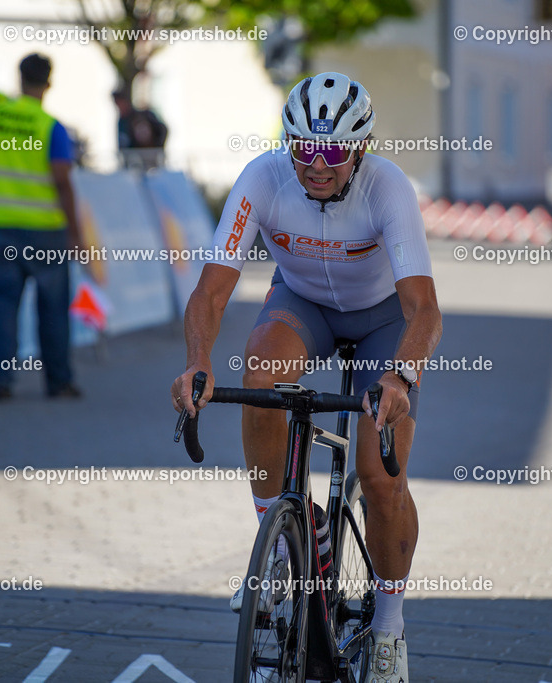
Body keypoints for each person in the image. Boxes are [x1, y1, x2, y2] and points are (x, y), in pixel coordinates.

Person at [170, 72, 442, 682]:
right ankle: (280, 538)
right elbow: (212, 291)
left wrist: (399, 377)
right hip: (303, 305)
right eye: (303, 151)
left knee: (379, 475)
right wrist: (197, 361)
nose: (316, 166)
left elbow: (423, 309)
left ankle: (390, 627)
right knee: (260, 373)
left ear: (360, 149)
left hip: (381, 323)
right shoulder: (262, 179)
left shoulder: (387, 188)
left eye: (332, 154)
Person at [0, 53, 82, 400]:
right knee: (52, 307)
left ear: (19, 78)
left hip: (0, 225)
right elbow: (63, 181)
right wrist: (76, 233)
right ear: (48, 83)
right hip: (44, 230)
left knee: (5, 303)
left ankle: (0, 383)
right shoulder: (49, 126)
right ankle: (57, 381)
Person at [112, 87, 168, 170]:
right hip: (134, 162)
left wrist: (158, 148)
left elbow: (163, 130)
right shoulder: (122, 121)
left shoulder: (142, 115)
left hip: (150, 157)